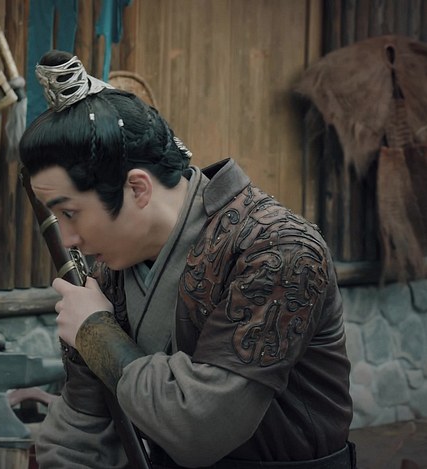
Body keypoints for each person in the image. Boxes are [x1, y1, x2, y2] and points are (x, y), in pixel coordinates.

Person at [20, 50, 354, 468]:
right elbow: (80, 429)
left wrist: (95, 332)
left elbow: (202, 428)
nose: (68, 238)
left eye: (70, 213)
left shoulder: (278, 249)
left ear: (137, 188)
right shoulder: (106, 277)